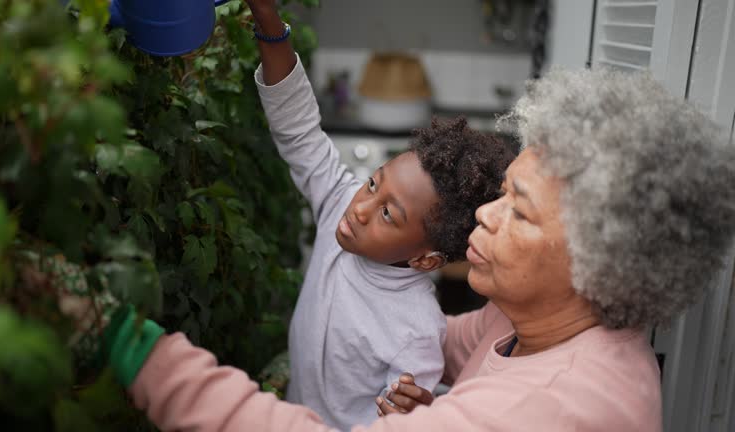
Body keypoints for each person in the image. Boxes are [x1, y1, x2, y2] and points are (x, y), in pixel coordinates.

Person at [58, 3, 735, 432]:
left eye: (520, 212)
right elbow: (436, 347)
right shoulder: (526, 321)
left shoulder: (555, 410)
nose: (484, 221)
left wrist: (129, 344)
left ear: (601, 262)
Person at [215, 1, 513, 429]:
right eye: (373, 183)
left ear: (424, 260)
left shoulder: (416, 329)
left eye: (388, 215)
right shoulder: (340, 201)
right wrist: (268, 22)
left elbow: (401, 416)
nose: (360, 208)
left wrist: (410, 410)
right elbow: (297, 127)